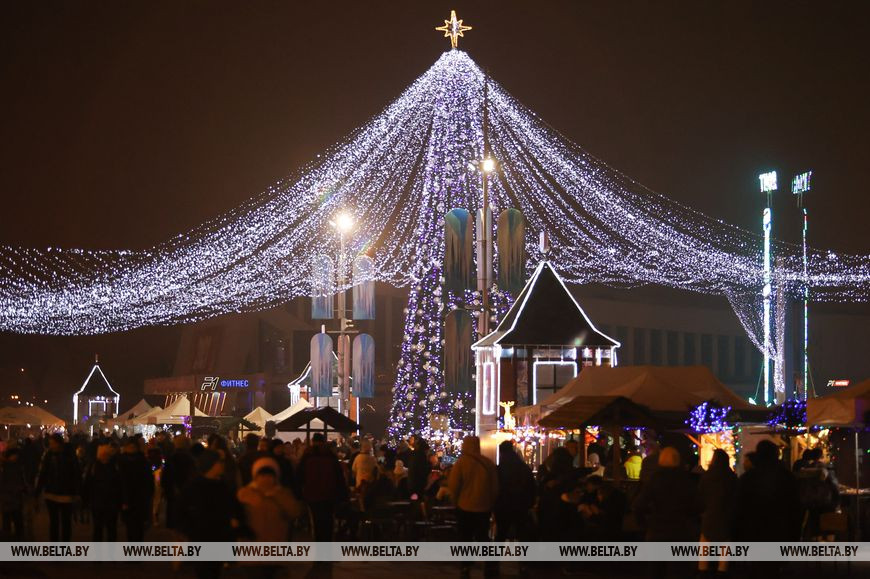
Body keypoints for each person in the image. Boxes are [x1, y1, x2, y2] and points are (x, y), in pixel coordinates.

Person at [182, 449, 240, 579]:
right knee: (205, 571)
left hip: (218, 538)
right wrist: (190, 530)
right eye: (220, 462)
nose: (223, 465)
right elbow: (181, 511)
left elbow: (233, 507)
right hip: (202, 538)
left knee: (214, 571)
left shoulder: (222, 485)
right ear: (211, 464)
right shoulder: (194, 487)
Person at [447, 436, 499, 578]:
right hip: (484, 506)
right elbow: (495, 487)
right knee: (483, 536)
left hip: (465, 506)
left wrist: (454, 501)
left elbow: (453, 485)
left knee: (466, 537)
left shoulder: (461, 463)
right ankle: (490, 564)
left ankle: (466, 566)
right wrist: (490, 502)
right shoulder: (488, 463)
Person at [735, 440, 801, 542]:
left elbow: (739, 508)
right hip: (781, 533)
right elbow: (795, 508)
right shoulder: (787, 477)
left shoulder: (748, 478)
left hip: (753, 533)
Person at [632, 447, 698, 541]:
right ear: (677, 460)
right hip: (681, 531)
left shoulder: (655, 480)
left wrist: (644, 525)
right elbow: (698, 505)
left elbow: (638, 505)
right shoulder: (685, 480)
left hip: (658, 531)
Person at [237, 456, 303, 541]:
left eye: (270, 476)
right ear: (255, 476)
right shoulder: (245, 494)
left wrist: (278, 497)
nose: (266, 479)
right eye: (263, 475)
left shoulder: (284, 493)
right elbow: (238, 519)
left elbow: (295, 512)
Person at [297, 433, 348, 541]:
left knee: (316, 521)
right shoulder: (330, 455)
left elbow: (300, 475)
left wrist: (300, 494)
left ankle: (318, 544)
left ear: (313, 441)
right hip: (329, 494)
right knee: (328, 521)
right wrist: (343, 494)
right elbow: (339, 476)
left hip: (312, 495)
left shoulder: (307, 455)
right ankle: (327, 543)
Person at [698, 449, 737, 574]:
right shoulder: (731, 478)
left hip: (709, 517)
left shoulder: (707, 477)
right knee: (725, 547)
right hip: (726, 517)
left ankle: (703, 571)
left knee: (705, 547)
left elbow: (700, 497)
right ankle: (722, 571)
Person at [35, 433, 80, 541]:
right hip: (51, 494)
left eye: (53, 443)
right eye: (50, 443)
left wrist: (77, 492)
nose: (51, 446)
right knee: (54, 522)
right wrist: (38, 491)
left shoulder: (69, 455)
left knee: (66, 522)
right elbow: (43, 473)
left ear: (59, 443)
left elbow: (76, 474)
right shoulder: (49, 455)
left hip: (66, 494)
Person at [82, 442, 122, 541]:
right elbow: (87, 484)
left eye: (106, 455)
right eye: (102, 455)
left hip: (111, 503)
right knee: (98, 529)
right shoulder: (94, 466)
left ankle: (110, 549)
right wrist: (85, 500)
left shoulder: (114, 466)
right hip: (97, 503)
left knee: (111, 529)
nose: (104, 457)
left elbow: (120, 485)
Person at [118, 438, 154, 541]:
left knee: (135, 528)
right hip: (134, 498)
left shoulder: (123, 461)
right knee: (134, 528)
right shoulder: (142, 461)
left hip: (135, 499)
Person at [0, 448, 28, 539]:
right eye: (15, 455)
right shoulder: (11, 467)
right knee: (16, 520)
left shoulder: (9, 466)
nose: (17, 457)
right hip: (12, 498)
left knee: (8, 521)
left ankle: (9, 539)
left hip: (8, 498)